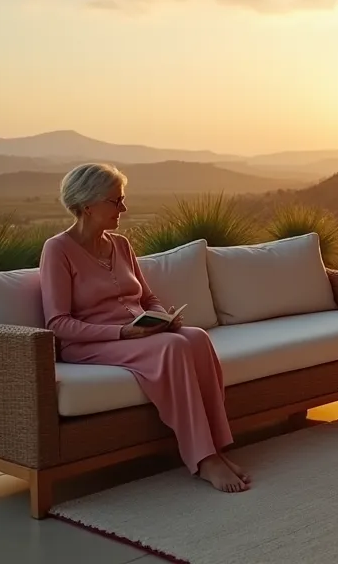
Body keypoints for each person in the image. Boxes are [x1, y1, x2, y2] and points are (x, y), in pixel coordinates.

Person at [39, 163, 250, 493]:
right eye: (115, 201)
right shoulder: (58, 250)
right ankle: (203, 457)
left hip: (139, 334)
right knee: (175, 346)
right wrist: (123, 332)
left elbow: (147, 296)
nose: (123, 208)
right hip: (91, 344)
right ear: (87, 205)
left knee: (196, 337)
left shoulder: (120, 244)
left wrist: (160, 317)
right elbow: (58, 323)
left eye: (122, 199)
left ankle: (217, 447)